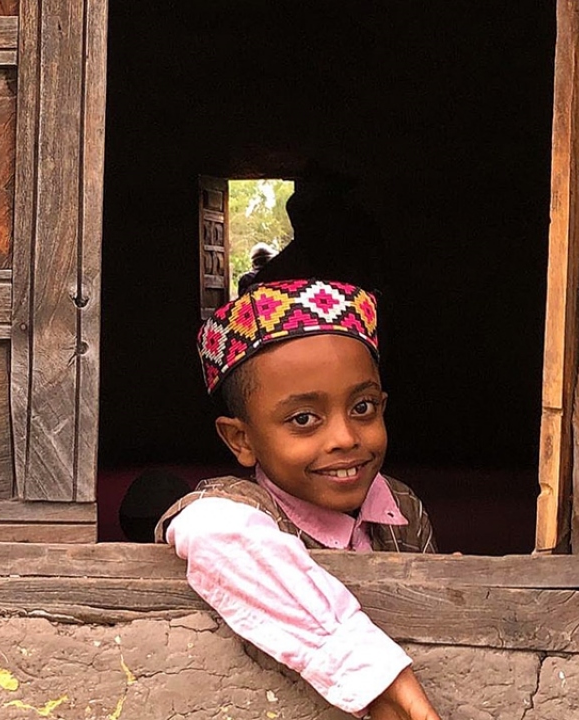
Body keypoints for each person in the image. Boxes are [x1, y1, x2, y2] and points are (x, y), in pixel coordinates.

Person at [156, 278, 439, 720]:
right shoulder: (240, 508)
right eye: (304, 419)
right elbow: (208, 528)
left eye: (363, 408)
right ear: (241, 439)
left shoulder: (402, 507)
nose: (345, 438)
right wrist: (377, 675)